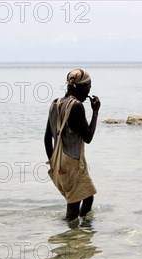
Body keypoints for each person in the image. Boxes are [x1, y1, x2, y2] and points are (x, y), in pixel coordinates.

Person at [45, 69, 101, 221]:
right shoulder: (76, 106)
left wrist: (53, 163)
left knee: (89, 197)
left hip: (60, 162)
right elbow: (88, 137)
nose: (89, 90)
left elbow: (47, 138)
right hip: (73, 163)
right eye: (89, 86)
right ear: (81, 87)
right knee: (73, 209)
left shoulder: (55, 104)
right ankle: (70, 240)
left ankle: (82, 234)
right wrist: (95, 112)